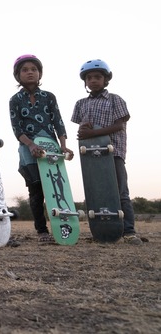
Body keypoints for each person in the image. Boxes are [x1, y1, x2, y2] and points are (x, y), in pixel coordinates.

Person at [71, 59, 142, 245]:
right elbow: (82, 131)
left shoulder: (115, 99)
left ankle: (128, 231)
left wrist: (93, 132)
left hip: (113, 152)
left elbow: (119, 126)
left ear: (106, 79)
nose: (93, 80)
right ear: (85, 81)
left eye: (98, 77)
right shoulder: (80, 104)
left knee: (120, 192)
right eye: (89, 78)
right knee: (95, 192)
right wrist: (83, 132)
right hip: (90, 157)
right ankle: (101, 231)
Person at [9, 54, 72, 243]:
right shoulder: (15, 99)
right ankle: (42, 230)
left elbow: (58, 122)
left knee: (57, 188)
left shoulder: (49, 97)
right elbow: (16, 128)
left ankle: (64, 227)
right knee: (36, 190)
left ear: (40, 73)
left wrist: (64, 146)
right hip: (28, 149)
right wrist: (31, 145)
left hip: (51, 149)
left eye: (34, 69)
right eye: (25, 70)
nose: (30, 72)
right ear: (17, 75)